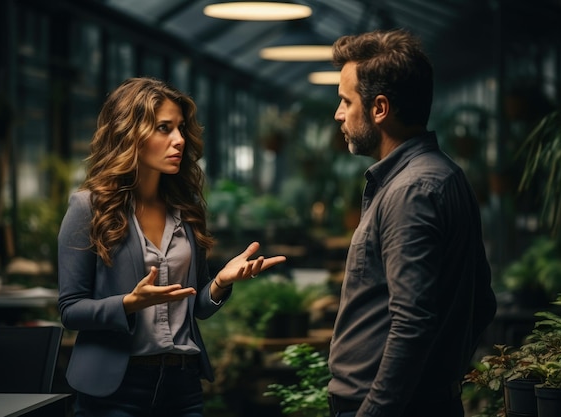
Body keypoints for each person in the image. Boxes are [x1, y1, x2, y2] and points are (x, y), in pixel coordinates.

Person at [57, 77, 286, 417]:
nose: (179, 140)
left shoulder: (187, 209)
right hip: (116, 390)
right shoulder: (88, 208)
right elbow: (70, 310)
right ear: (129, 133)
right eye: (164, 128)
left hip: (183, 386)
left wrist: (221, 283)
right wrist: (128, 304)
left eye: (180, 128)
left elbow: (196, 309)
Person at [326, 29, 497, 417]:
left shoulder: (411, 191)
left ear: (380, 108)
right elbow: (482, 301)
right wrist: (440, 374)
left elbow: (412, 322)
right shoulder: (444, 176)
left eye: (345, 101)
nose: (338, 114)